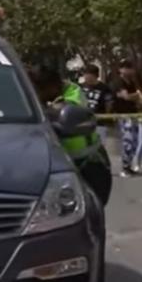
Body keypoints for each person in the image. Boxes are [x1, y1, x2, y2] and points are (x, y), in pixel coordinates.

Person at [29, 65, 112, 205]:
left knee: (92, 210)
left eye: (39, 91)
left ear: (52, 86)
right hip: (53, 165)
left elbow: (62, 111)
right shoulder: (38, 96)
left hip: (87, 164)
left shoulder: (74, 93)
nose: (37, 94)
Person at [111, 59, 139, 177]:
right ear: (121, 70)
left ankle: (129, 165)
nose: (128, 70)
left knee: (134, 141)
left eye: (130, 68)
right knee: (128, 140)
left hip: (133, 114)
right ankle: (124, 167)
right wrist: (137, 95)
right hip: (123, 115)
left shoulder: (131, 82)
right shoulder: (118, 82)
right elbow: (126, 96)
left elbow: (133, 97)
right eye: (126, 68)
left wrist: (135, 96)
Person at [81, 64, 114, 143]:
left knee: (99, 143)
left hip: (99, 122)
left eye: (90, 78)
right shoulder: (80, 87)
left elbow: (109, 104)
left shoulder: (104, 88)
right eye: (86, 77)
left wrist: (107, 116)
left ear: (96, 76)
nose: (87, 80)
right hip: (83, 122)